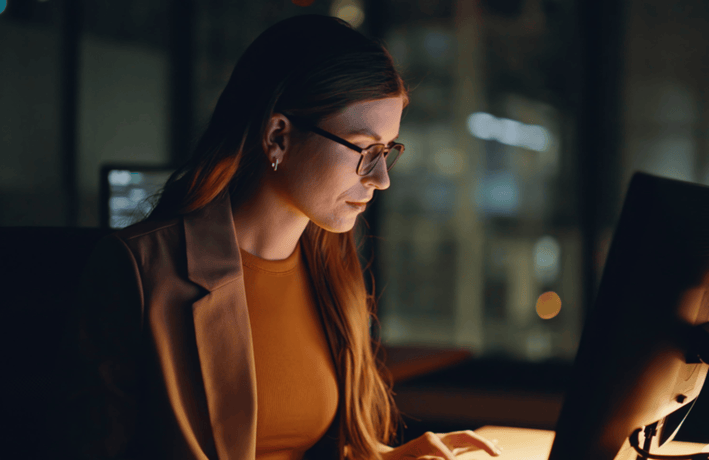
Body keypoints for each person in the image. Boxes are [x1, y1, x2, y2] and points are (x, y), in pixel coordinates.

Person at [57, 14, 502, 460]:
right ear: (277, 137)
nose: (381, 178)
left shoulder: (331, 264)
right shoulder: (140, 269)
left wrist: (390, 456)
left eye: (386, 151)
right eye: (365, 149)